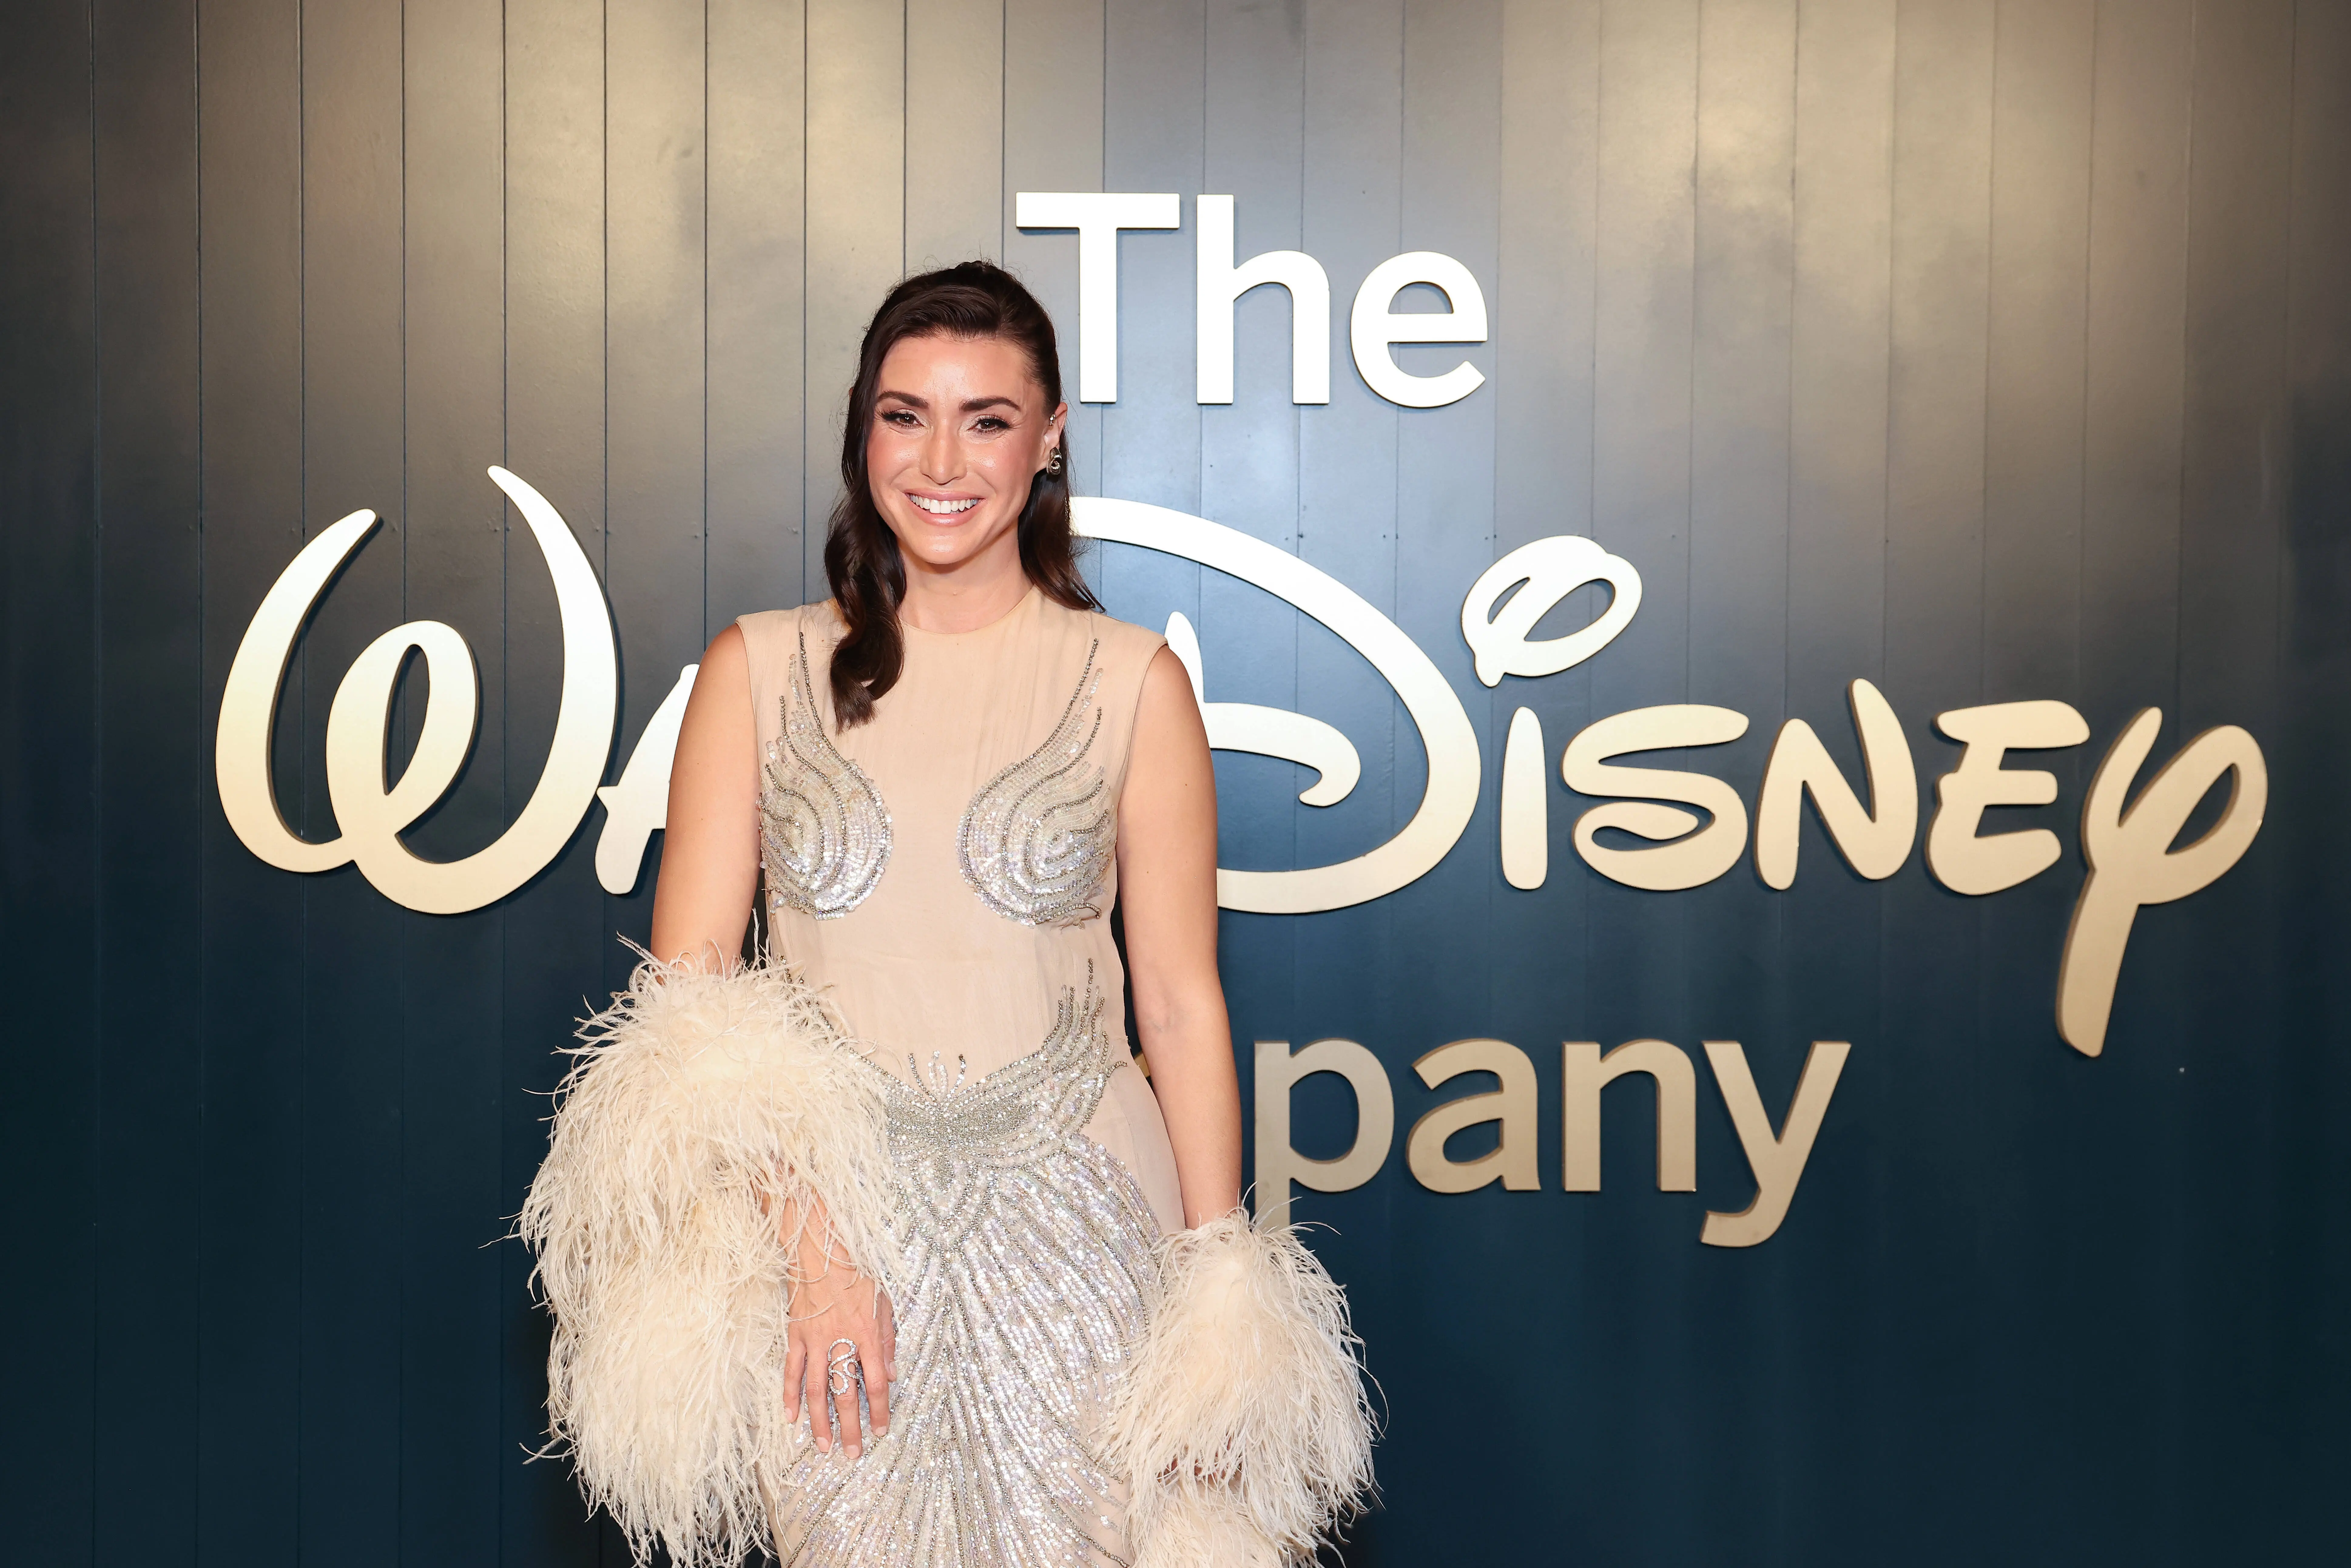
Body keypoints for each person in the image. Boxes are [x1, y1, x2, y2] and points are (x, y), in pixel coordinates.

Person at [522, 262, 1372, 1568]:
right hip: (831, 1250)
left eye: (985, 418)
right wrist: (815, 1245)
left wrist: (1217, 1306)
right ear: (861, 431)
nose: (941, 458)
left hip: (1089, 1230)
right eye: (903, 413)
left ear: (1049, 437)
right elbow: (685, 1009)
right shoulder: (757, 669)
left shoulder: (1133, 681)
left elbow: (1181, 1003)